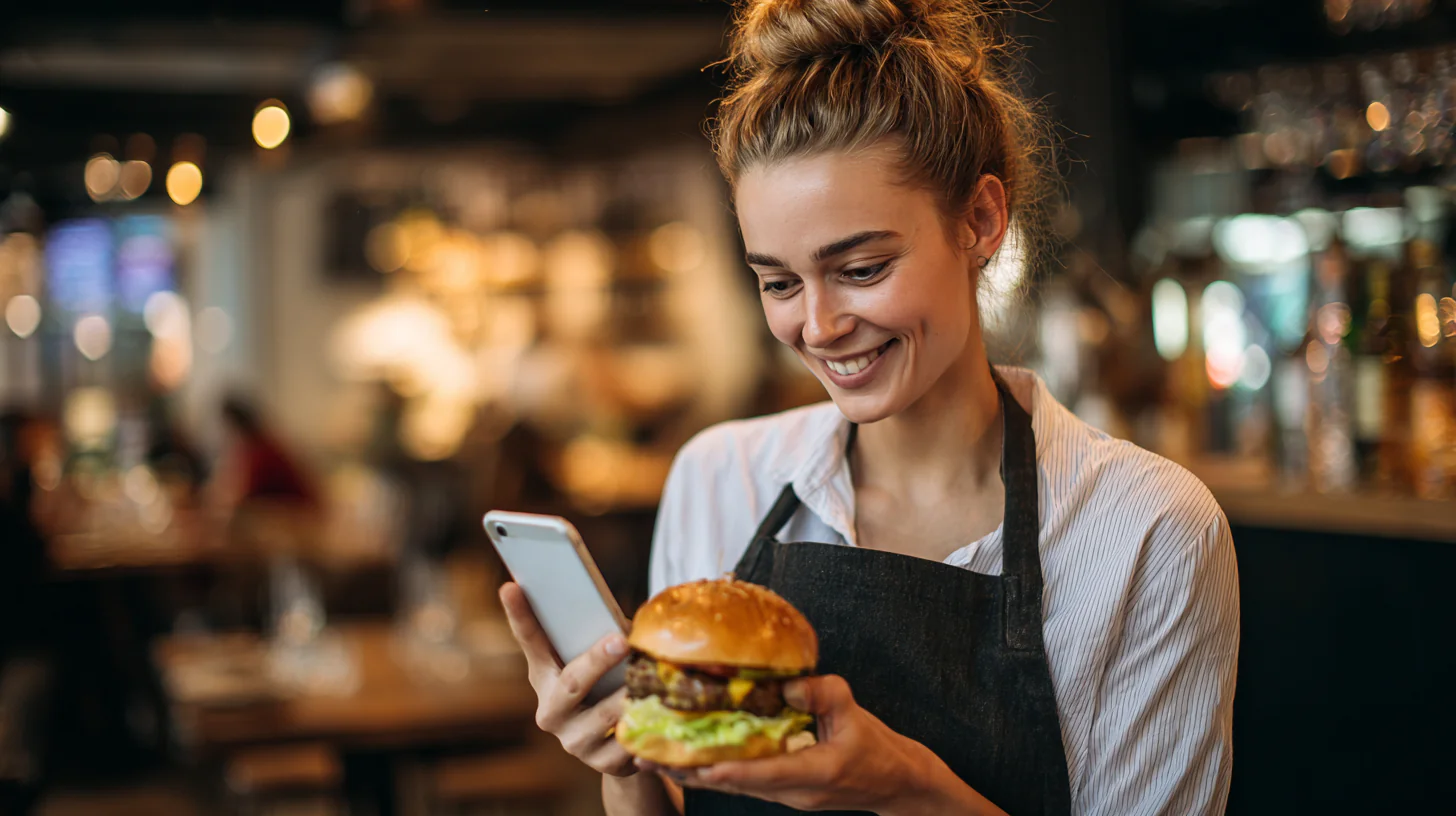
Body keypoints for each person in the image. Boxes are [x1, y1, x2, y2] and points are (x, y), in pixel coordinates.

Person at [500, 1, 1239, 814]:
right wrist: (622, 758)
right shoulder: (720, 478)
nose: (817, 328)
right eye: (778, 282)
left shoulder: (1146, 531)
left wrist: (902, 784)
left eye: (861, 268)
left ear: (981, 220)